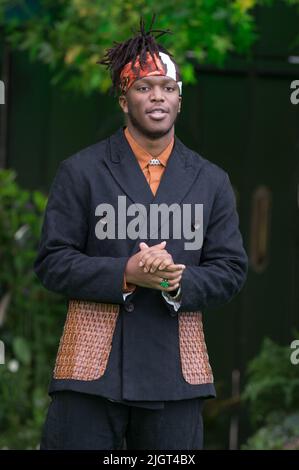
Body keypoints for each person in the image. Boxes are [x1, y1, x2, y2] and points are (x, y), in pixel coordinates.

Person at [33, 15, 248, 450]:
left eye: (168, 89)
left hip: (176, 375)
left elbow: (230, 270)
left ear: (180, 101)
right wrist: (126, 273)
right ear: (123, 99)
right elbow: (52, 262)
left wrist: (177, 279)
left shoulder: (211, 180)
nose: (157, 97)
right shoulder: (81, 171)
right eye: (144, 87)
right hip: (91, 374)